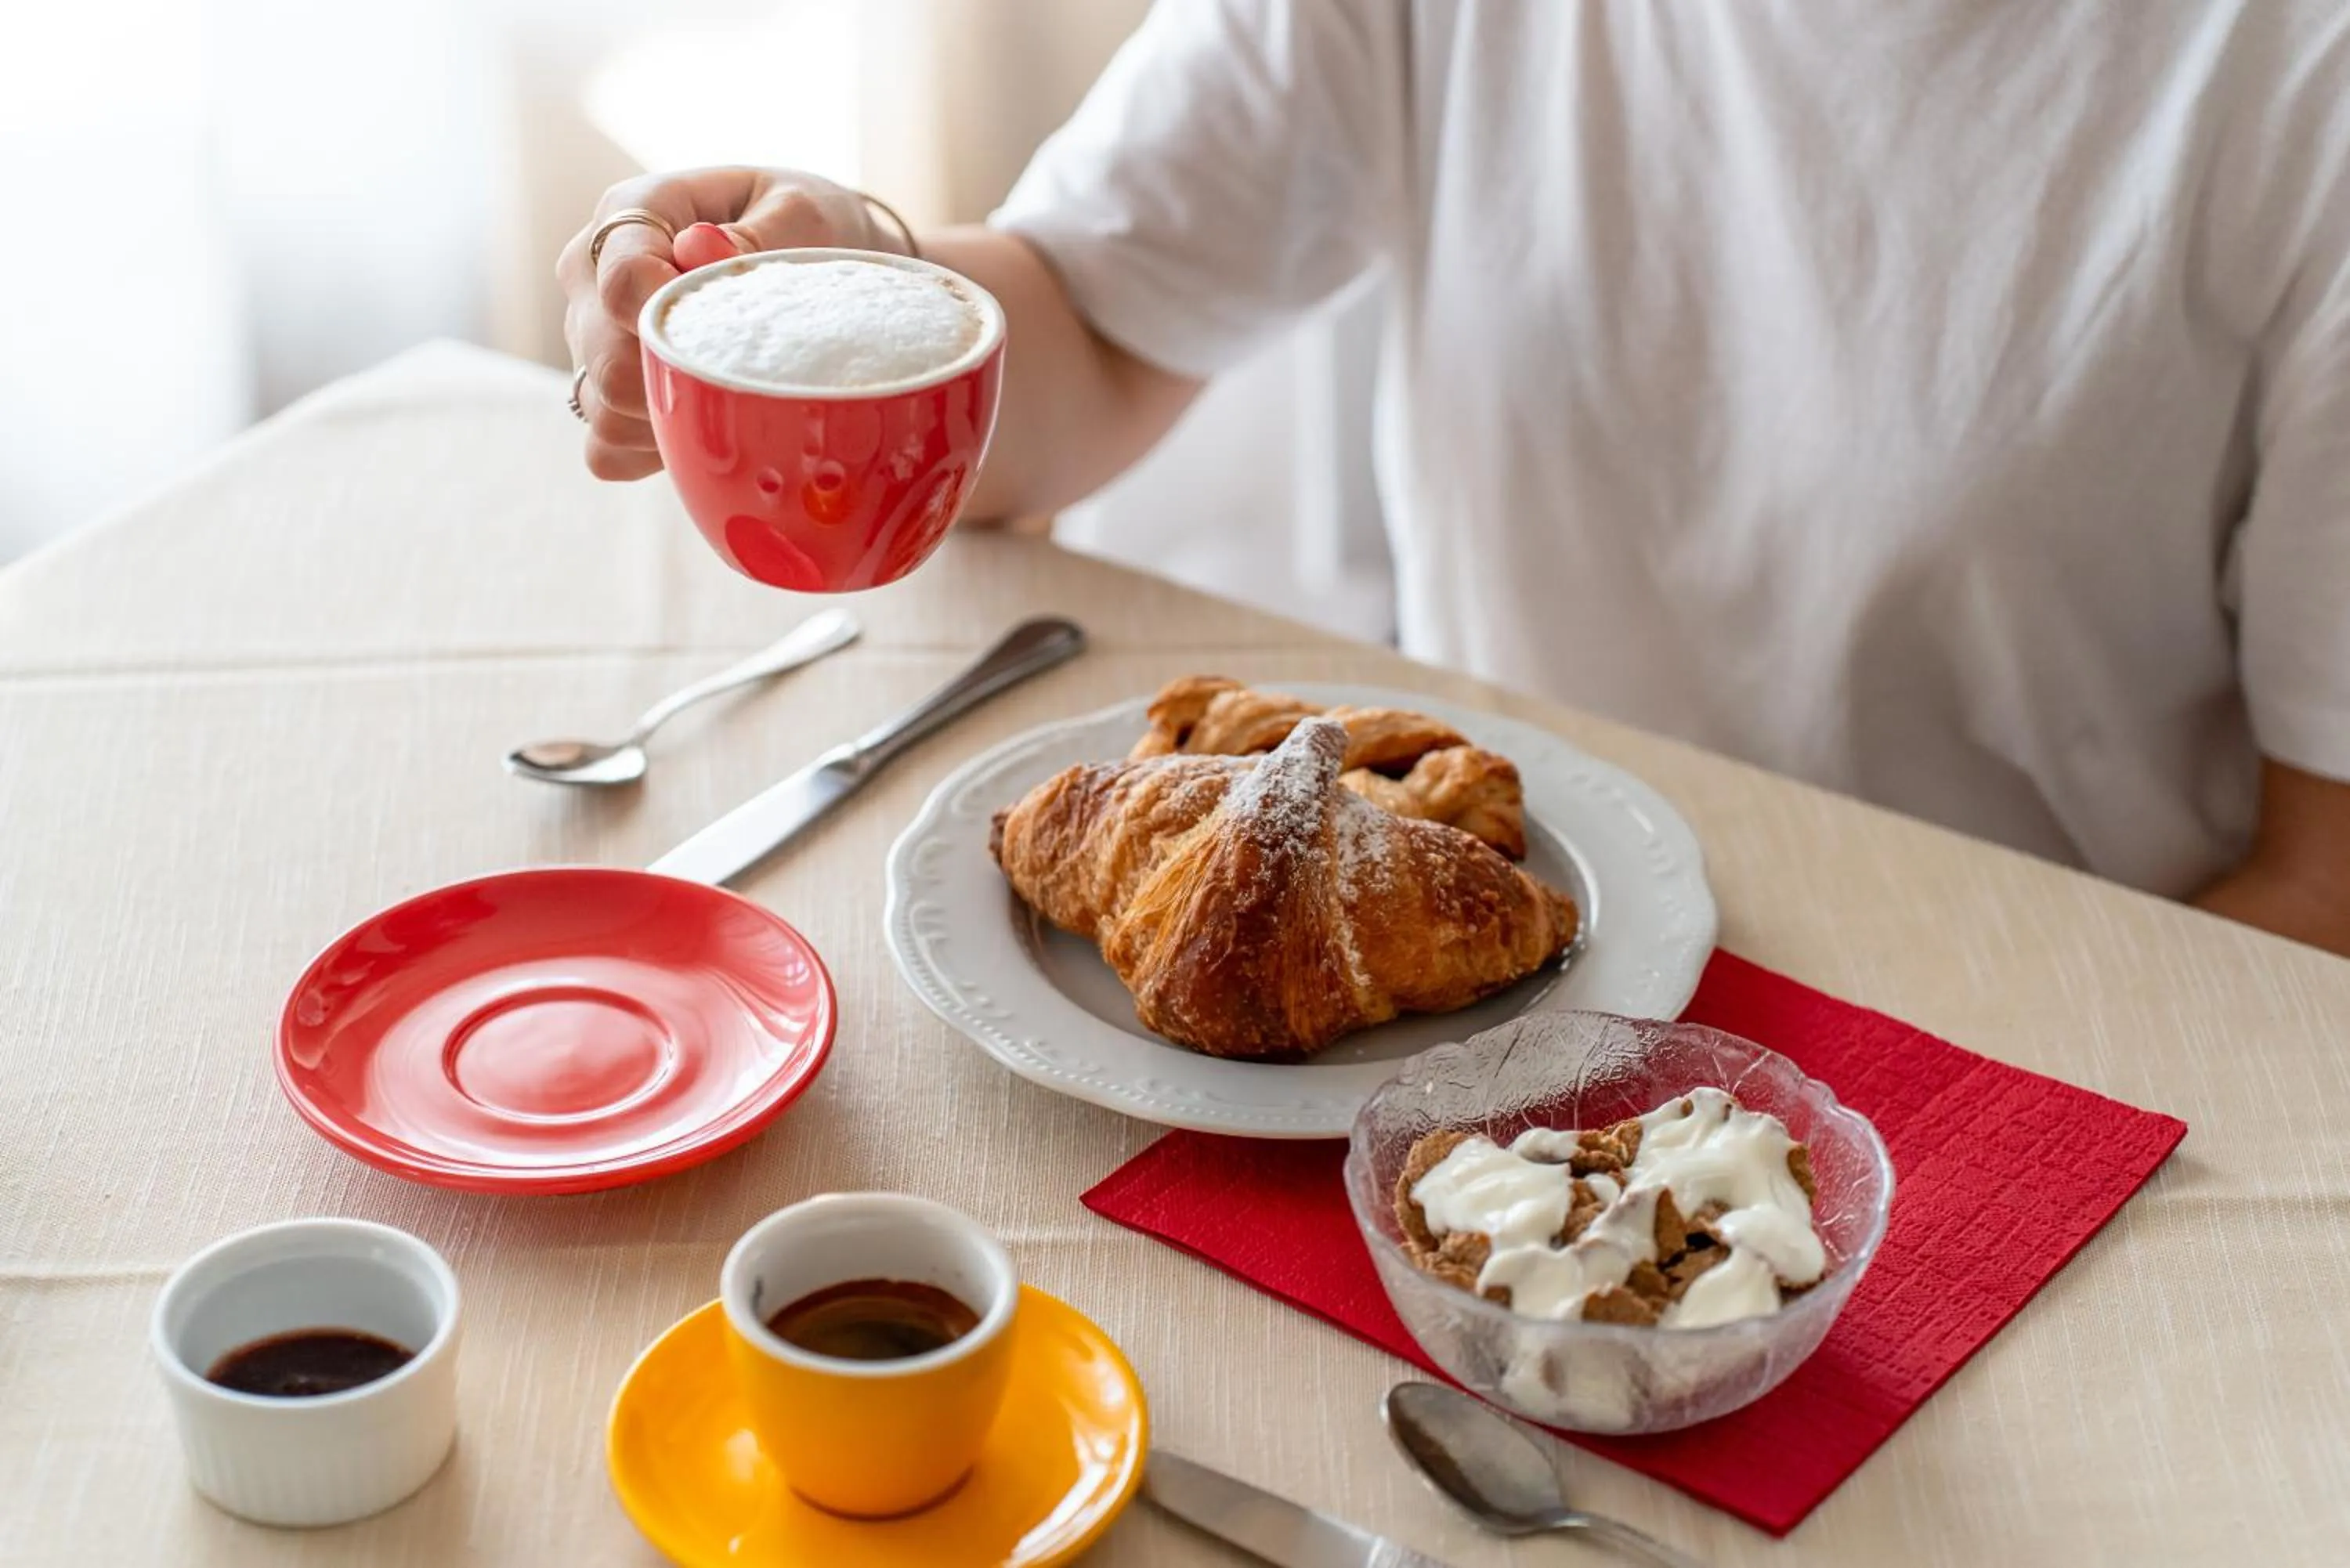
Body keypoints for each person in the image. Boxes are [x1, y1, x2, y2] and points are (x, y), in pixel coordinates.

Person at [558, 2, 2350, 958]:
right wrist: (859, 292)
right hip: (1472, 943)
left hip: (2021, 1008)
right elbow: (1087, 343)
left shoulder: (2298, 82)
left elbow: (2323, 894)